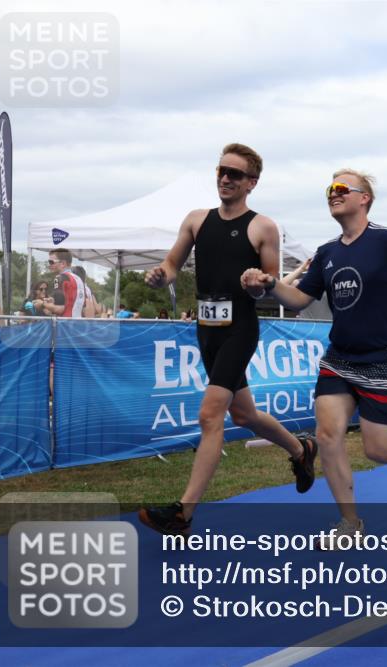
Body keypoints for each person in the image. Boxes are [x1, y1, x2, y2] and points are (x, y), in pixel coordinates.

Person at [242, 168, 387, 546]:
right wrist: (272, 285)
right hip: (339, 359)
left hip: (382, 360)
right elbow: (300, 300)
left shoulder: (386, 240)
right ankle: (350, 523)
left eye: (340, 188)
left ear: (364, 198)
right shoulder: (327, 253)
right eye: (329, 189)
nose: (332, 194)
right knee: (328, 434)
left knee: (379, 452)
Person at [138, 143, 317, 537]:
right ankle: (301, 450)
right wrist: (160, 275)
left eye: (235, 174)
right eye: (222, 170)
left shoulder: (263, 227)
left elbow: (267, 287)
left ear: (252, 182)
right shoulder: (196, 220)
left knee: (209, 415)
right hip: (206, 329)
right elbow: (171, 265)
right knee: (244, 415)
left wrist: (259, 282)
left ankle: (182, 515)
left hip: (239, 329)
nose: (225, 178)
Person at [43, 249, 86, 318]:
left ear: (62, 263)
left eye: (51, 262)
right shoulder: (78, 279)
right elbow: (71, 302)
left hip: (64, 324)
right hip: (78, 322)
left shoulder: (59, 278)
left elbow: (59, 309)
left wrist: (42, 304)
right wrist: (53, 300)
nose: (50, 265)